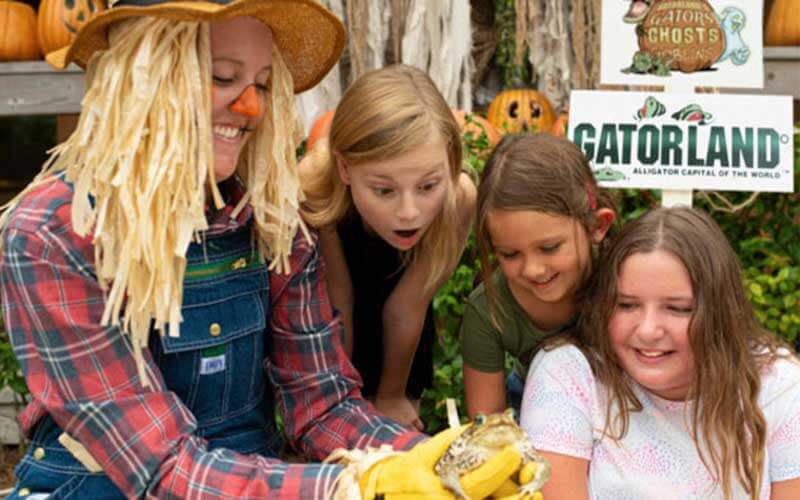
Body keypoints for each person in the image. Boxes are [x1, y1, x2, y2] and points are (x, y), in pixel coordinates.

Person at [0, 1, 485, 497]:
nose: (250, 107)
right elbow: (164, 467)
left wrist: (446, 461)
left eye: (263, 84)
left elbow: (323, 407)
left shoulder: (273, 223)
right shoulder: (52, 233)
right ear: (146, 78)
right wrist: (349, 487)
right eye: (223, 78)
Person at [520, 207, 800, 500]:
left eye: (677, 309)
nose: (648, 330)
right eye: (627, 305)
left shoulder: (779, 383)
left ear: (720, 313)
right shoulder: (570, 374)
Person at [299, 64, 477, 430]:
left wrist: (392, 397)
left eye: (428, 186)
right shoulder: (316, 187)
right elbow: (338, 301)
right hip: (335, 331)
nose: (409, 213)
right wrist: (339, 408)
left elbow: (407, 305)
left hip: (404, 345)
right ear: (345, 169)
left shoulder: (458, 199)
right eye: (384, 190)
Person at [460, 133, 616, 418]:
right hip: (532, 404)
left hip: (623, 404)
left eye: (549, 247)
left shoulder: (628, 281)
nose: (533, 269)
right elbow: (488, 428)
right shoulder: (488, 311)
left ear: (596, 225)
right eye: (510, 254)